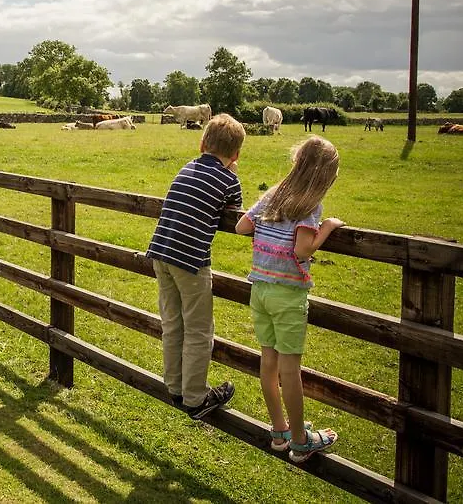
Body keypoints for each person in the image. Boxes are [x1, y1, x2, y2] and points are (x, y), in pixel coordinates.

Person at [234, 136, 342, 463]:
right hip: (288, 294)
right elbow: (303, 249)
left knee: (268, 361)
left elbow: (241, 226)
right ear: (325, 177)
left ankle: (280, 430)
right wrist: (328, 228)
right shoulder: (309, 206)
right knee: (290, 369)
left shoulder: (272, 196)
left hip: (261, 288)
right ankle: (299, 440)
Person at [147, 113, 245, 419]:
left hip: (160, 252)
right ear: (236, 155)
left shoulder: (186, 167)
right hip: (190, 261)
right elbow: (236, 212)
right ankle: (195, 398)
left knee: (173, 323)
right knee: (199, 329)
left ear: (202, 143)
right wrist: (231, 172)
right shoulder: (229, 178)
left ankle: (175, 386)